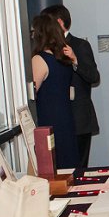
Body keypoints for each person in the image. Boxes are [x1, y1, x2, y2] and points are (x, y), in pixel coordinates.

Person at [40, 4, 100, 168]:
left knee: (78, 170)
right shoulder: (44, 49)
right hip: (56, 120)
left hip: (78, 120)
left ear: (59, 23)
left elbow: (94, 76)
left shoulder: (80, 45)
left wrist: (75, 60)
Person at [30, 14, 79, 169]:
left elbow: (31, 93)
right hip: (65, 118)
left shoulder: (39, 59)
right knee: (67, 165)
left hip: (48, 120)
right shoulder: (63, 59)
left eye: (33, 32)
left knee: (51, 166)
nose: (32, 36)